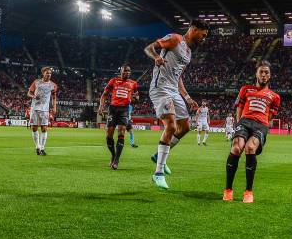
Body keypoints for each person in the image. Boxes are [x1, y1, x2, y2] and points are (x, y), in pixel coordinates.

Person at [144, 19, 209, 189]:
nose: (204, 39)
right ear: (194, 29)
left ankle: (159, 155)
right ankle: (157, 173)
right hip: (160, 88)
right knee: (171, 126)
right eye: (203, 35)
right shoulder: (174, 39)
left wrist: (187, 97)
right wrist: (157, 56)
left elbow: (178, 77)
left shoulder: (188, 53)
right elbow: (149, 48)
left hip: (173, 89)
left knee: (185, 127)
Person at [223, 61, 281, 203]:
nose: (263, 74)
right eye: (261, 71)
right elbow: (239, 108)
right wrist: (239, 123)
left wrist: (262, 125)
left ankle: (248, 191)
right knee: (236, 148)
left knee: (250, 148)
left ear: (270, 76)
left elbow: (270, 116)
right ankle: (228, 190)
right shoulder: (245, 89)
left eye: (266, 72)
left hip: (260, 124)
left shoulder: (275, 96)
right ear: (256, 74)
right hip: (244, 121)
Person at [98, 64, 139, 169]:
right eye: (125, 71)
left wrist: (135, 98)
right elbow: (105, 94)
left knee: (121, 132)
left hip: (124, 110)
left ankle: (116, 160)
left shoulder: (133, 84)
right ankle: (113, 155)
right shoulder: (113, 81)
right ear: (121, 71)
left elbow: (137, 98)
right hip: (113, 109)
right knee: (109, 136)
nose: (127, 73)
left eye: (129, 71)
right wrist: (101, 106)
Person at [27, 67, 58, 155]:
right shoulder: (36, 82)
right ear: (43, 73)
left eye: (50, 73)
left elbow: (54, 97)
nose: (49, 75)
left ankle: (42, 148)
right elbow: (29, 93)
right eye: (47, 73)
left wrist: (54, 107)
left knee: (44, 128)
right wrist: (33, 96)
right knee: (34, 128)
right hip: (35, 108)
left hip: (45, 109)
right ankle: (37, 147)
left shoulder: (53, 85)